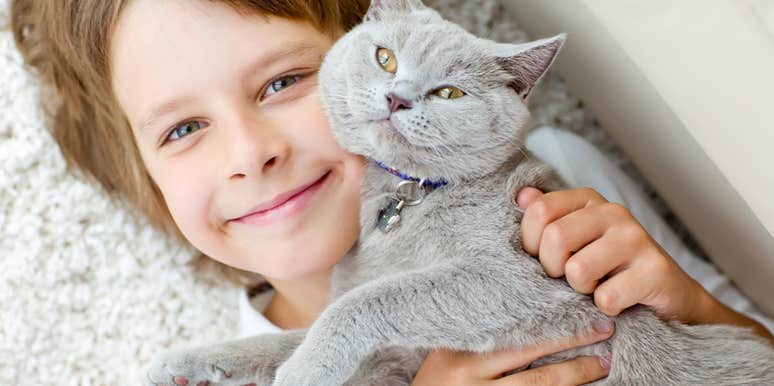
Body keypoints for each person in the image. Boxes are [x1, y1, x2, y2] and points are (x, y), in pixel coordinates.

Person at [11, 1, 772, 385]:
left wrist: (692, 305)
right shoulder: (221, 366)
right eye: (183, 130)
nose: (251, 154)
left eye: (283, 82)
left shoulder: (551, 181)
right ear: (146, 178)